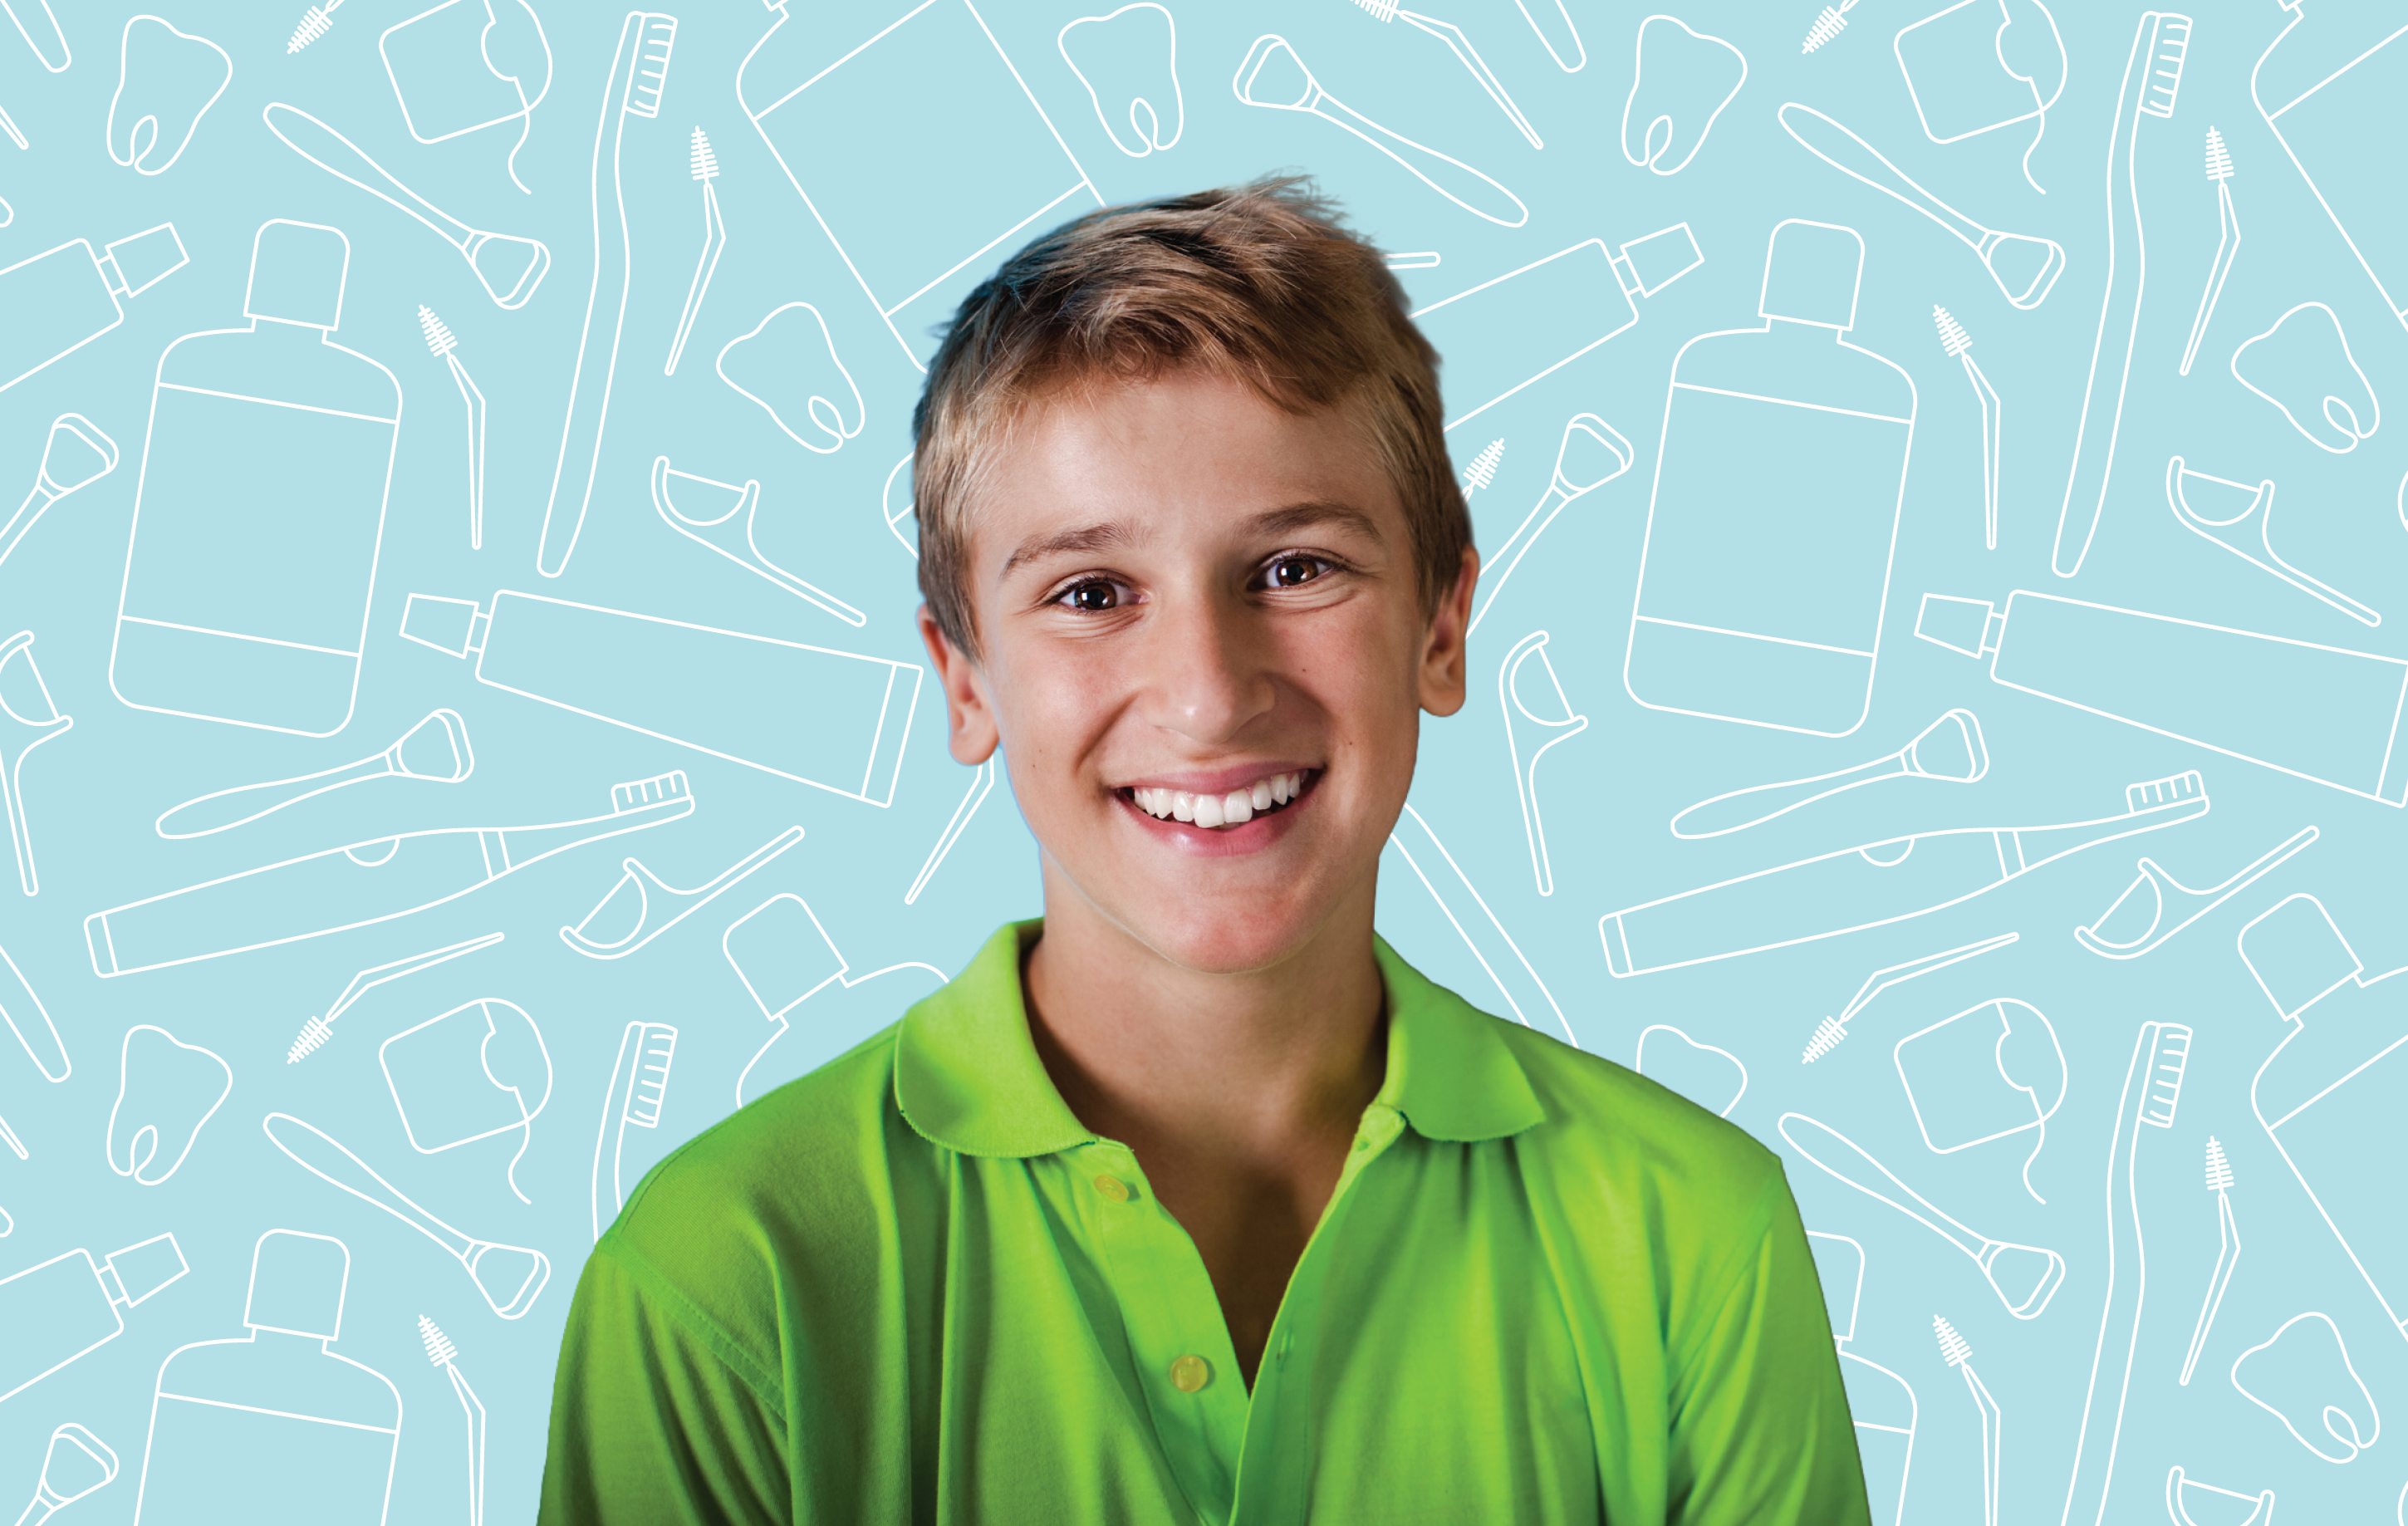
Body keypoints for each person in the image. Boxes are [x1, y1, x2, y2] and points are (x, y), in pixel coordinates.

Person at [538, 179, 1871, 1524]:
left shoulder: (1693, 1229)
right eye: (1091, 594)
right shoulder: (723, 1275)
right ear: (965, 684)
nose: (1207, 693)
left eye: (1294, 569)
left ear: (1442, 630)